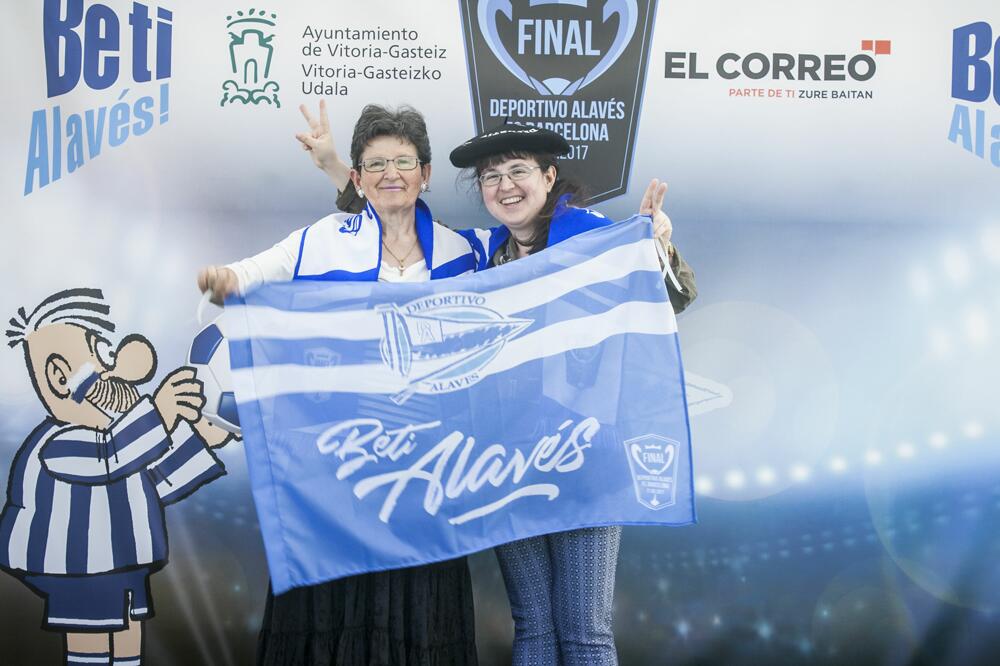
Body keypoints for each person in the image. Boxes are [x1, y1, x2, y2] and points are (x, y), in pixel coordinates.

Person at [198, 103, 479, 665]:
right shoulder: (320, 242)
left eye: (404, 161)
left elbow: (541, 264)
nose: (391, 174)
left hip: (426, 473)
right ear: (357, 177)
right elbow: (251, 275)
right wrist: (224, 280)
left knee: (419, 615)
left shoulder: (464, 252)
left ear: (425, 173)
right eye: (375, 164)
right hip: (337, 472)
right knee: (333, 620)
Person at [447, 122, 698, 665]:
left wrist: (655, 247)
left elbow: (667, 300)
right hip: (509, 459)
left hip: (586, 454)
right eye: (491, 177)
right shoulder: (482, 256)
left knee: (583, 628)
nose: (505, 186)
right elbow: (402, 241)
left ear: (548, 176)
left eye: (518, 171)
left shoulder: (593, 238)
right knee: (534, 626)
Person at [1, 287, 231, 666]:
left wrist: (204, 439)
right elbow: (110, 455)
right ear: (60, 377)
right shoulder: (59, 444)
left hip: (123, 564)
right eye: (104, 356)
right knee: (90, 641)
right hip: (79, 568)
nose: (120, 371)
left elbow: (156, 478)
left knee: (127, 635)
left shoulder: (125, 443)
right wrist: (159, 412)